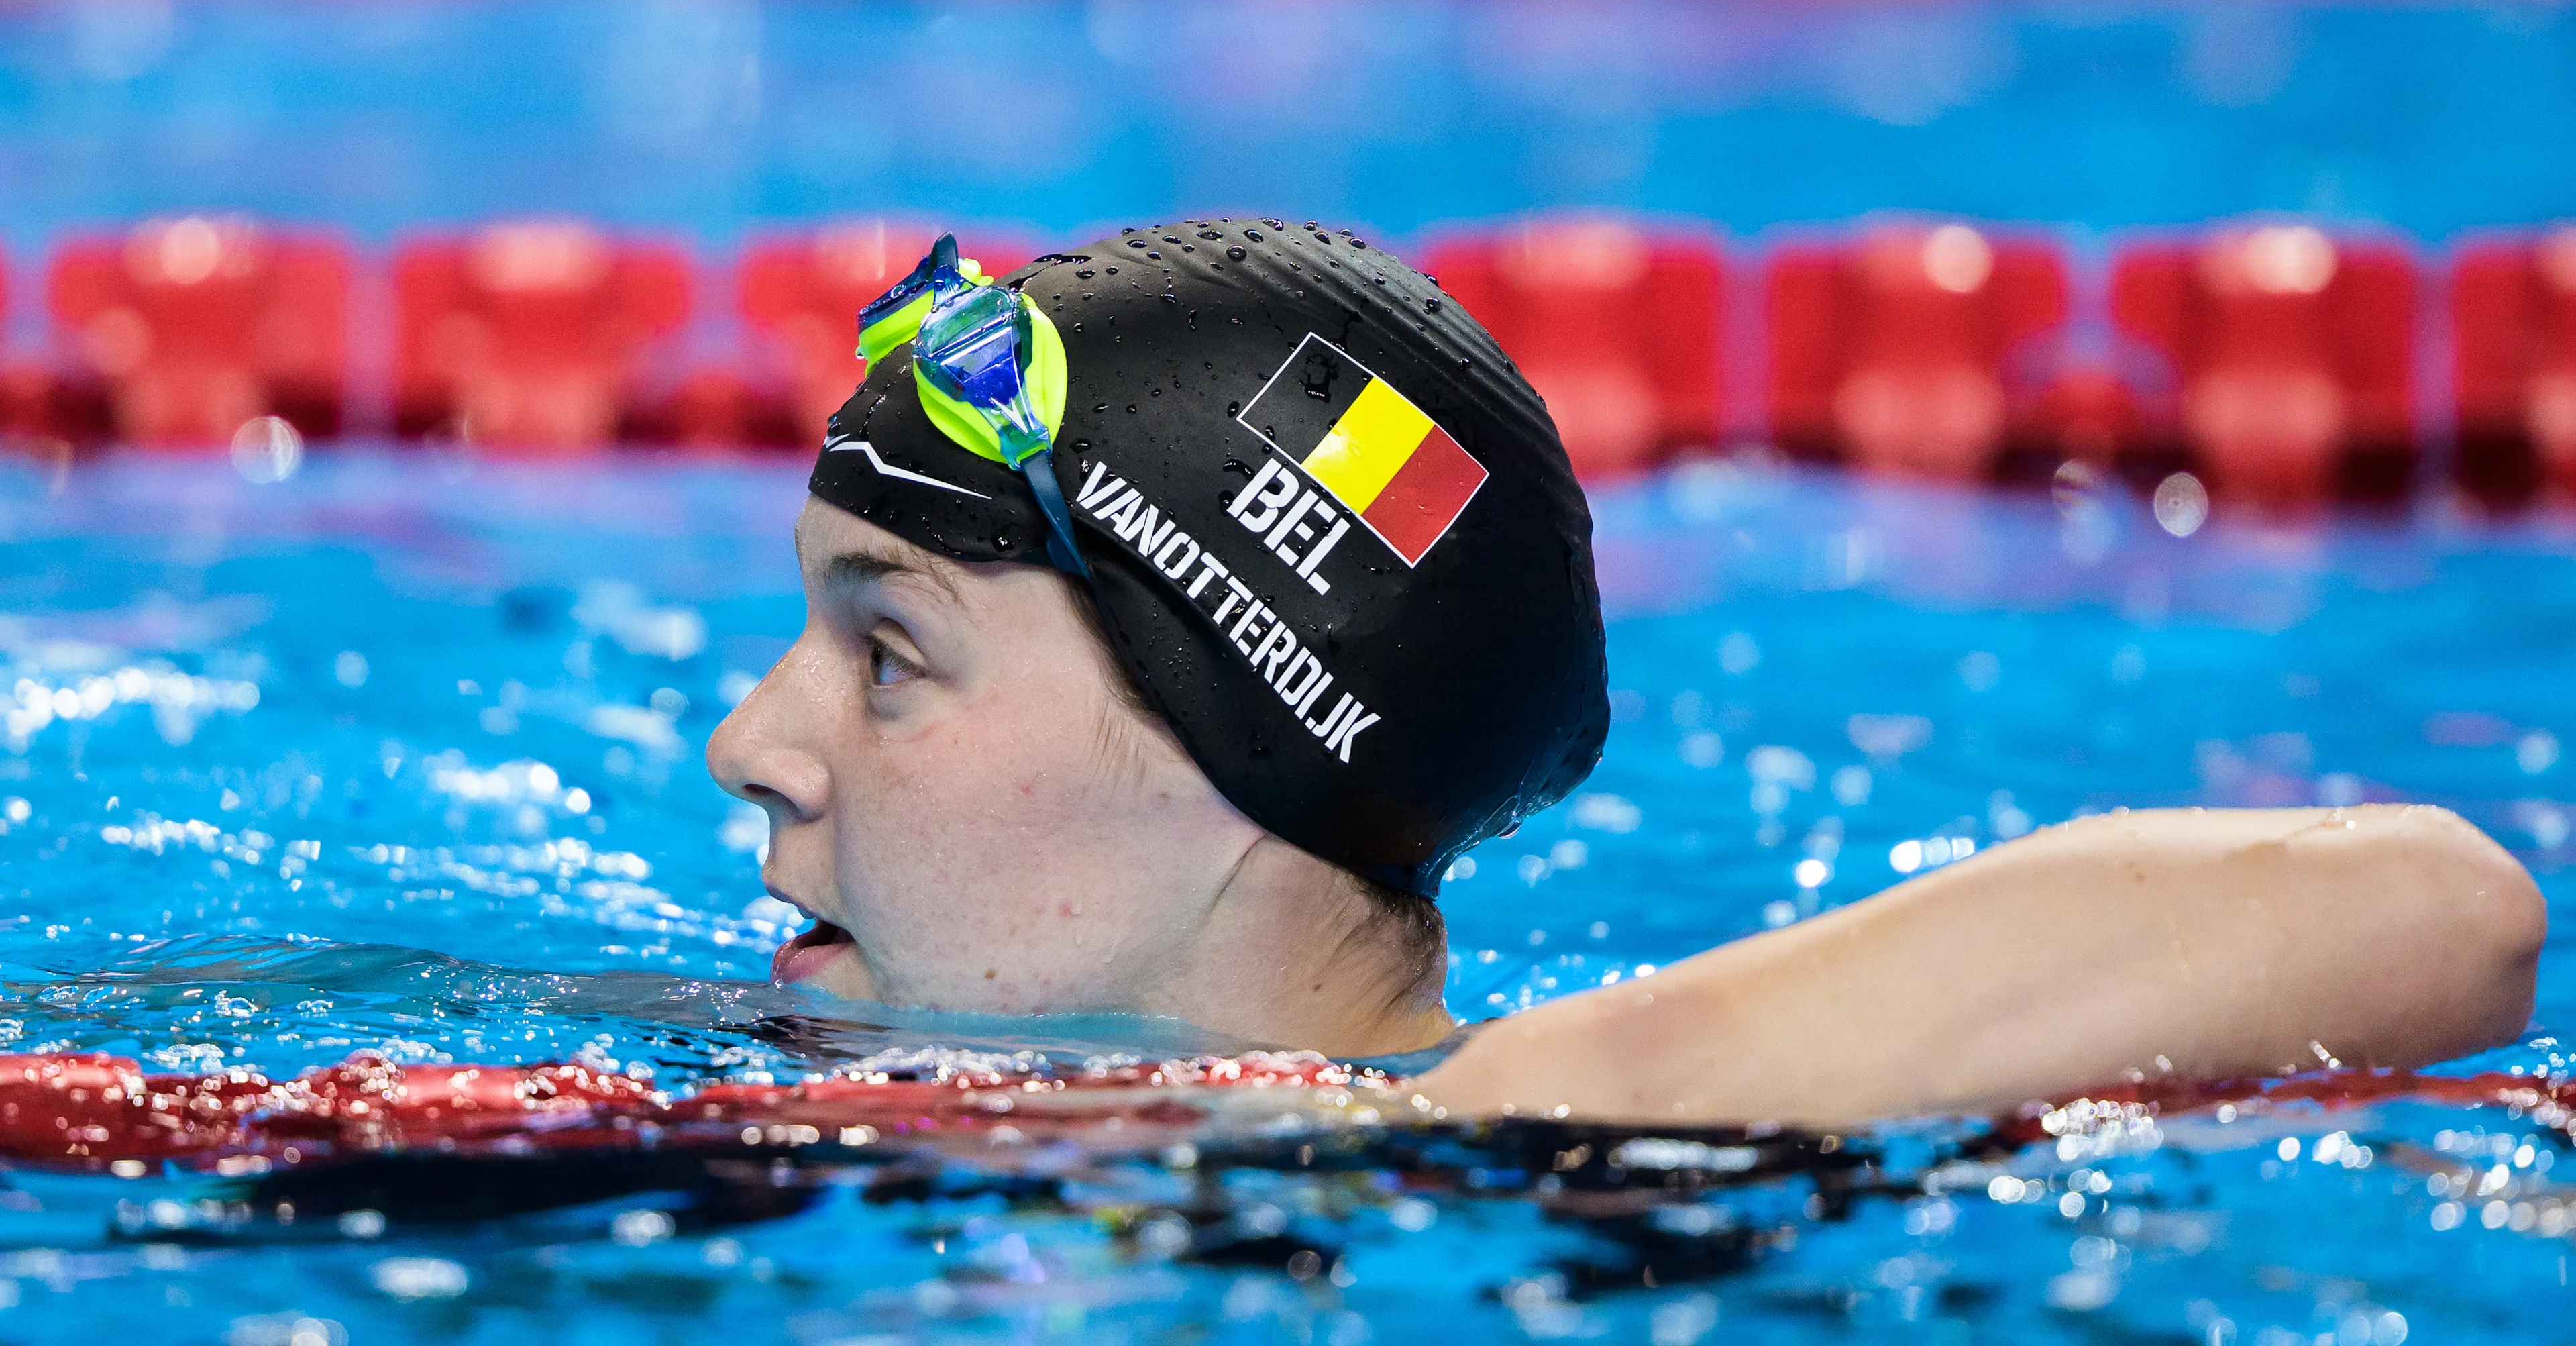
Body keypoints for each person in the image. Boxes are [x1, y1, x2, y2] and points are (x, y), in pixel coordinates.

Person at [710, 219, 2545, 1127]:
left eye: (890, 655)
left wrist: (1486, 1117)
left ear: (1243, 752)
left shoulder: (1557, 1184)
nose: (750, 742)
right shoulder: (662, 1091)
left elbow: (2442, 913)